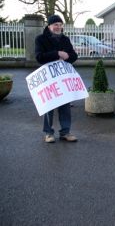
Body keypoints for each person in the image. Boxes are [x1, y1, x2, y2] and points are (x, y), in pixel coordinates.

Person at [35, 14, 79, 143]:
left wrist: (68, 57)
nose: (58, 27)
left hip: (62, 77)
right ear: (49, 26)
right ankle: (48, 133)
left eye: (60, 25)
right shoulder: (41, 39)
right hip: (48, 78)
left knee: (65, 106)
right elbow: (39, 57)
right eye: (55, 25)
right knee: (49, 106)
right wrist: (57, 54)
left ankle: (65, 132)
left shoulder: (65, 39)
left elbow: (73, 56)